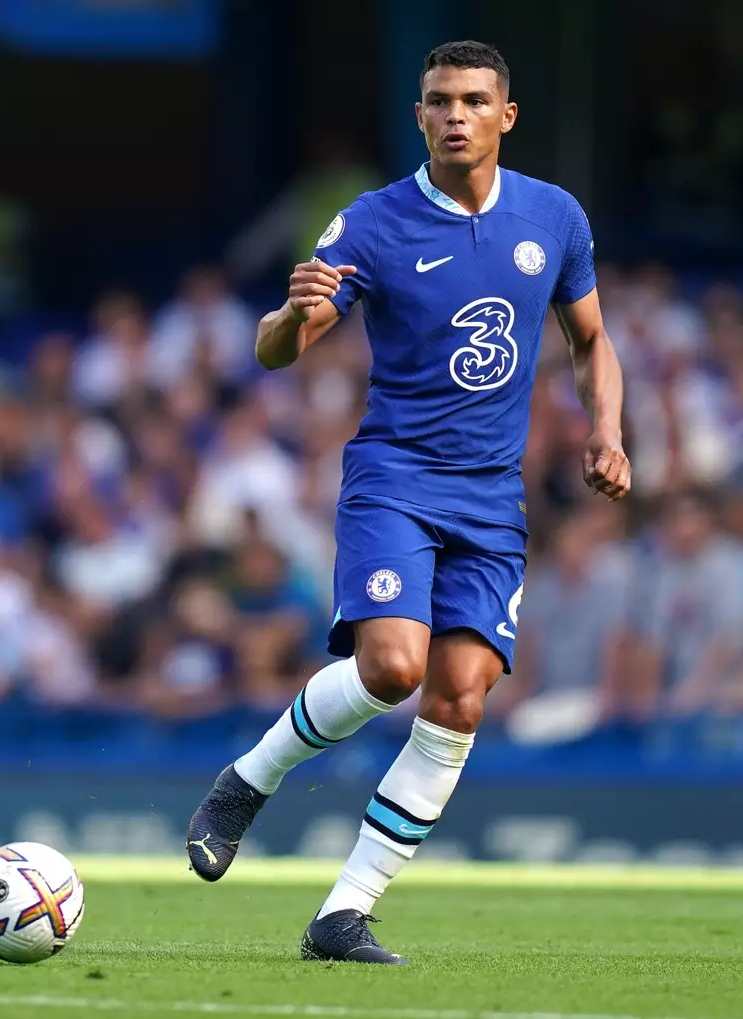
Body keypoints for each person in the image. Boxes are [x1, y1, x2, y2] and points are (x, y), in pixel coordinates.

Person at [184, 41, 630, 964]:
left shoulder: (555, 215)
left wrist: (607, 429)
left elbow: (591, 339)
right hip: (396, 477)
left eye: (473, 100)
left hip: (492, 498)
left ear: (506, 115)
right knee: (393, 668)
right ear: (419, 116)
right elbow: (283, 348)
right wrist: (285, 314)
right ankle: (247, 780)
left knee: (460, 700)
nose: (454, 115)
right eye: (438, 101)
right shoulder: (371, 224)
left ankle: (343, 914)